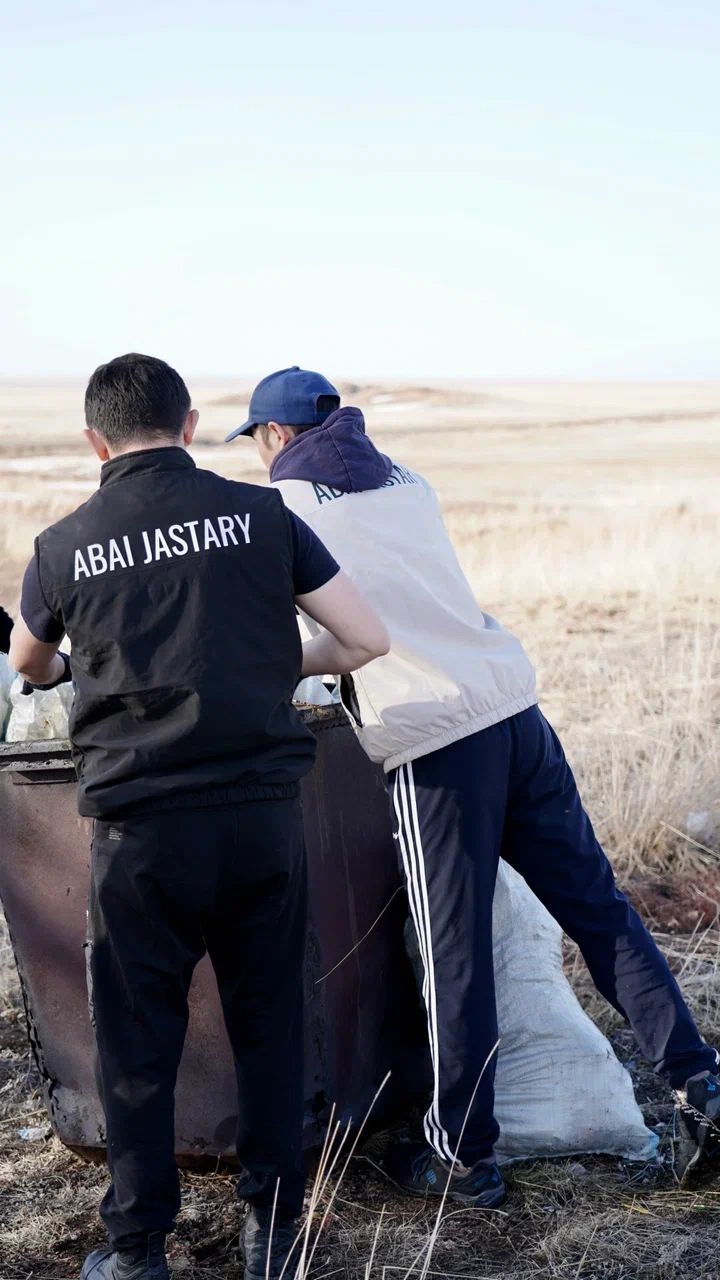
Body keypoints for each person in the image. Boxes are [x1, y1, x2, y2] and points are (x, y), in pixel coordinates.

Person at [229, 365, 720, 1207]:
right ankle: (701, 1085)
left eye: (258, 441)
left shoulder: (285, 510)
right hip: (515, 713)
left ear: (274, 436)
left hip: (436, 742)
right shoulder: (407, 481)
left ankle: (462, 1156)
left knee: (452, 954)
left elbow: (317, 629)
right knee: (599, 913)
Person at [8, 354, 389, 1280]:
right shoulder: (264, 515)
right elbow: (365, 639)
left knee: (137, 1043)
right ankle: (274, 1235)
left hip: (141, 835)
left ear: (95, 442)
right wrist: (268, 662)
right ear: (187, 427)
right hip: (260, 822)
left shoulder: (63, 547)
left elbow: (29, 664)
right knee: (270, 1026)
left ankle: (137, 1249)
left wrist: (73, 667)